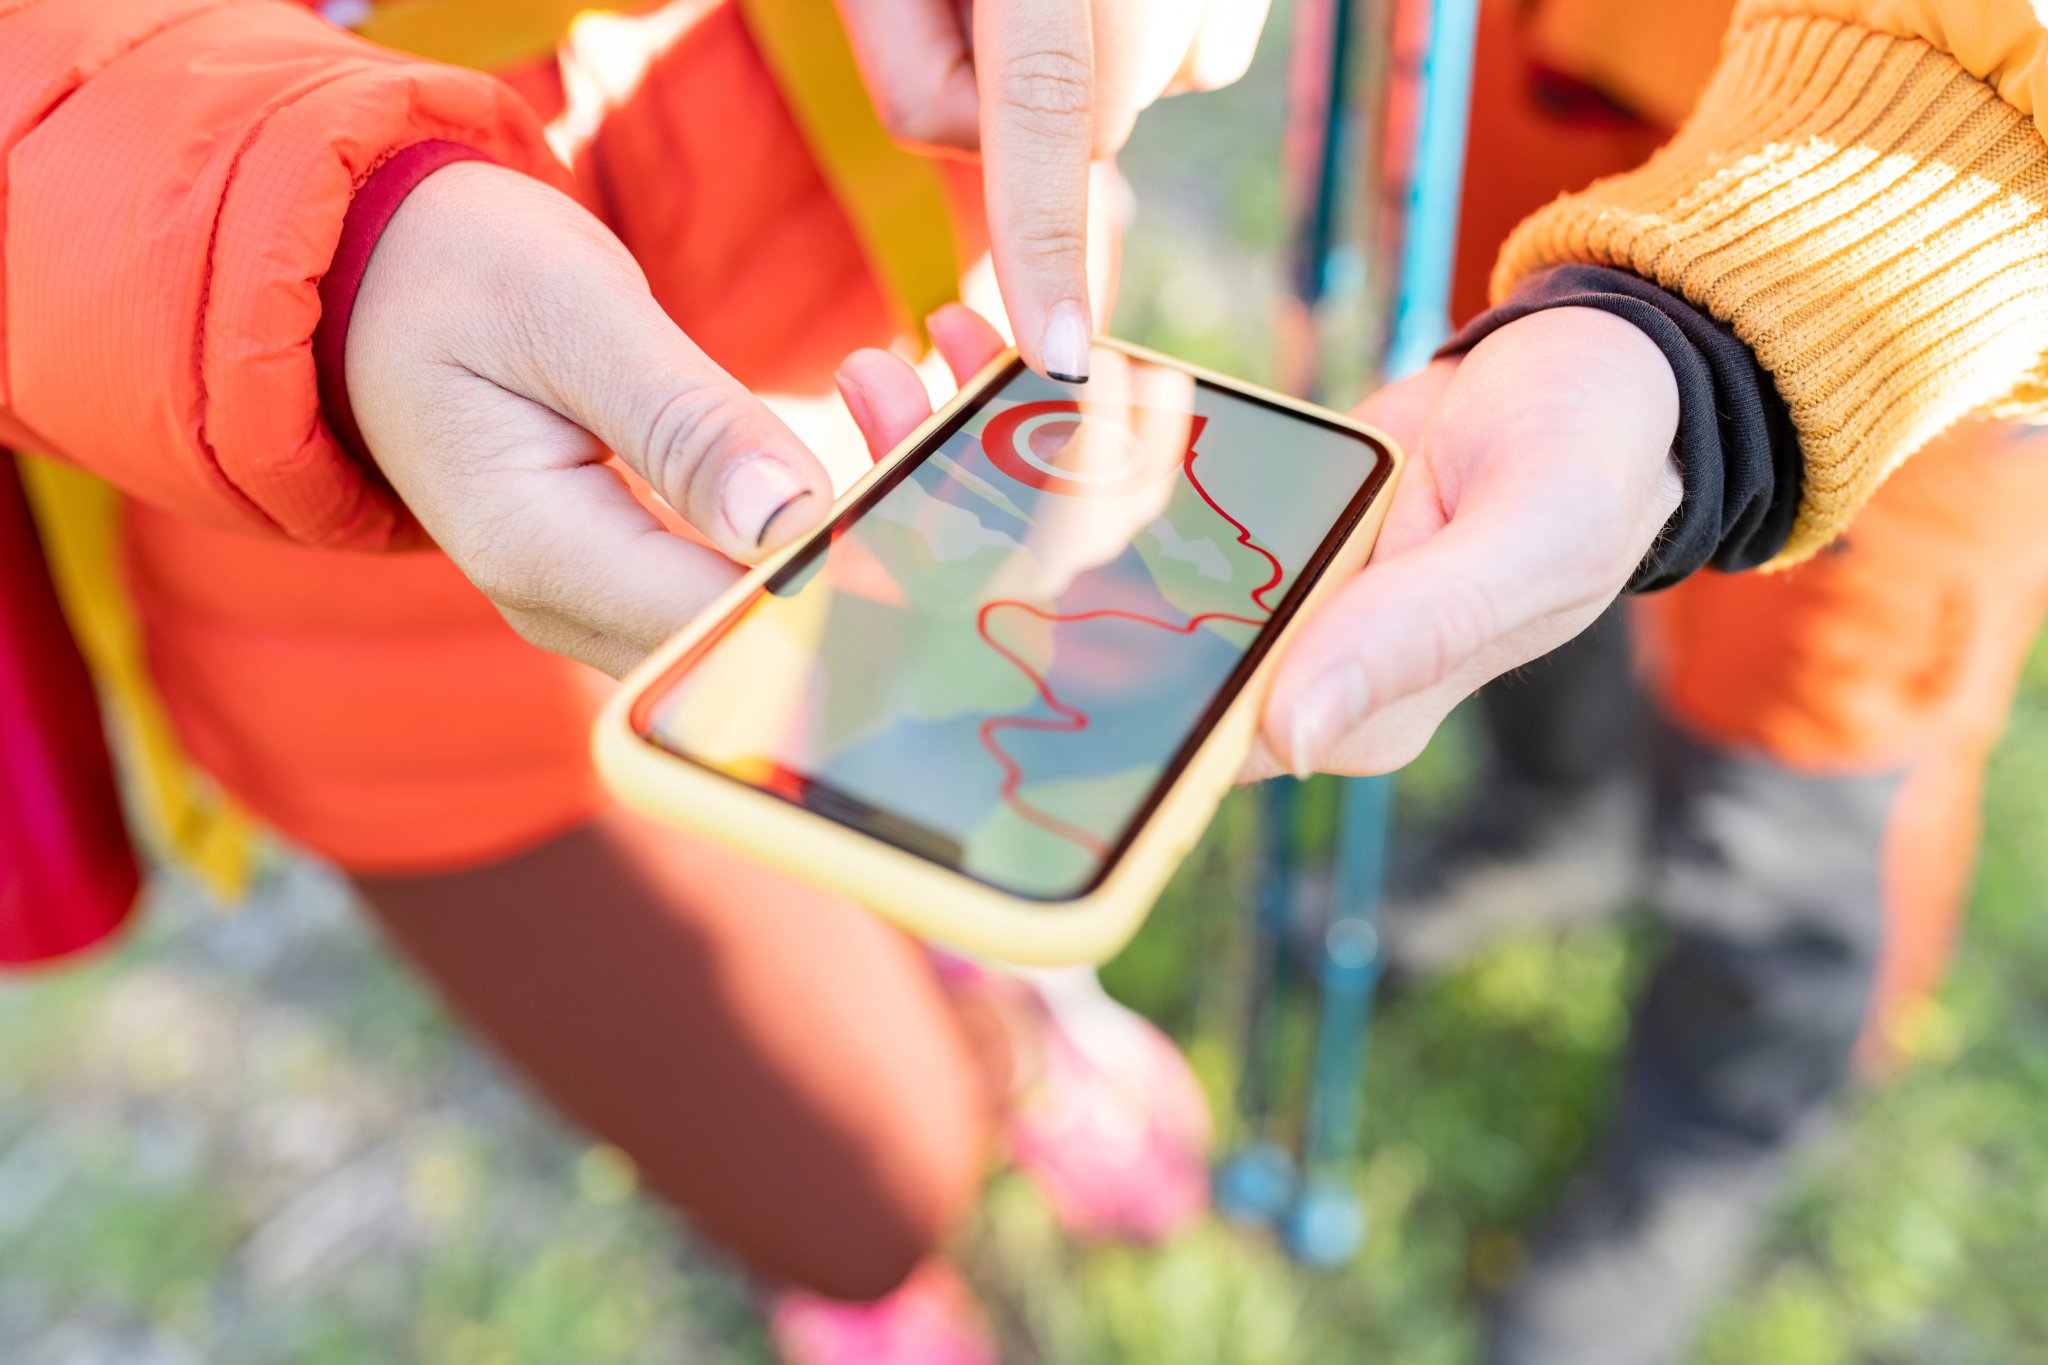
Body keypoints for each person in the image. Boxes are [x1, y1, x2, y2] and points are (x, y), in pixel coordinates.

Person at [0, 2, 1266, 1359]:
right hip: (304, 376)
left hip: (836, 168)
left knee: (962, 723)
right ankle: (875, 1251)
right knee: (864, 1197)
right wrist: (320, 248)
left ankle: (983, 977)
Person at [1247, 0, 2048, 1360]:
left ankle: (1712, 1131)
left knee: (1801, 744)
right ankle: (1559, 822)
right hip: (1520, 57)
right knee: (1490, 482)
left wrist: (1740, 311)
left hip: (1934, 181)